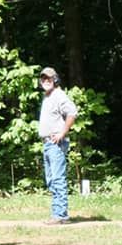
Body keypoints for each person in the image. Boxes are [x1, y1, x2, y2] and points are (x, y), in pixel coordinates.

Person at [38, 66, 77, 224]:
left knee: (57, 179)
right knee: (51, 179)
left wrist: (62, 132)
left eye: (49, 78)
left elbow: (72, 112)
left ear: (55, 79)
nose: (46, 81)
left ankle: (61, 215)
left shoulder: (59, 95)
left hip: (56, 144)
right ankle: (58, 213)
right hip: (47, 143)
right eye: (43, 79)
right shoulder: (48, 96)